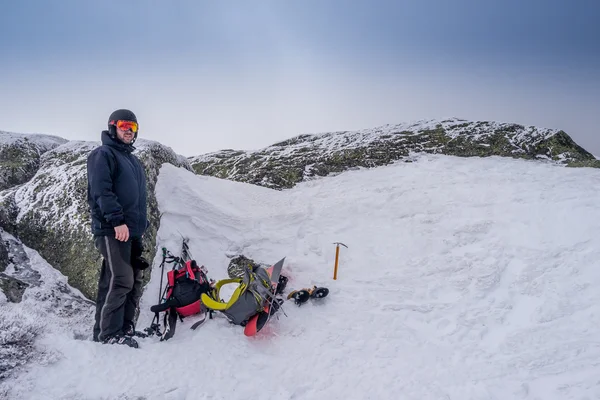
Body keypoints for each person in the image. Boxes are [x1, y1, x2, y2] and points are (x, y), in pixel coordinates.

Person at [86, 109, 150, 348]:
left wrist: (140, 227)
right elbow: (101, 191)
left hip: (131, 231)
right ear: (113, 127)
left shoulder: (132, 160)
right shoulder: (103, 154)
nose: (128, 130)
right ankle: (109, 335)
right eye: (124, 125)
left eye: (132, 127)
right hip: (113, 229)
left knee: (132, 280)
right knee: (121, 279)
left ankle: (124, 328)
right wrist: (116, 221)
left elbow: (137, 199)